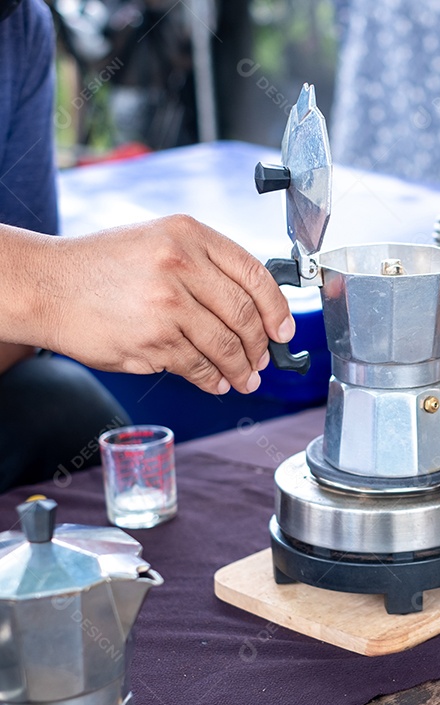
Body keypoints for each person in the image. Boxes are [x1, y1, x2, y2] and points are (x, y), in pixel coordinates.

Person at [0, 0, 293, 487]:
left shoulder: (17, 28)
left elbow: (14, 346)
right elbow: (38, 294)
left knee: (60, 409)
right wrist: (52, 283)